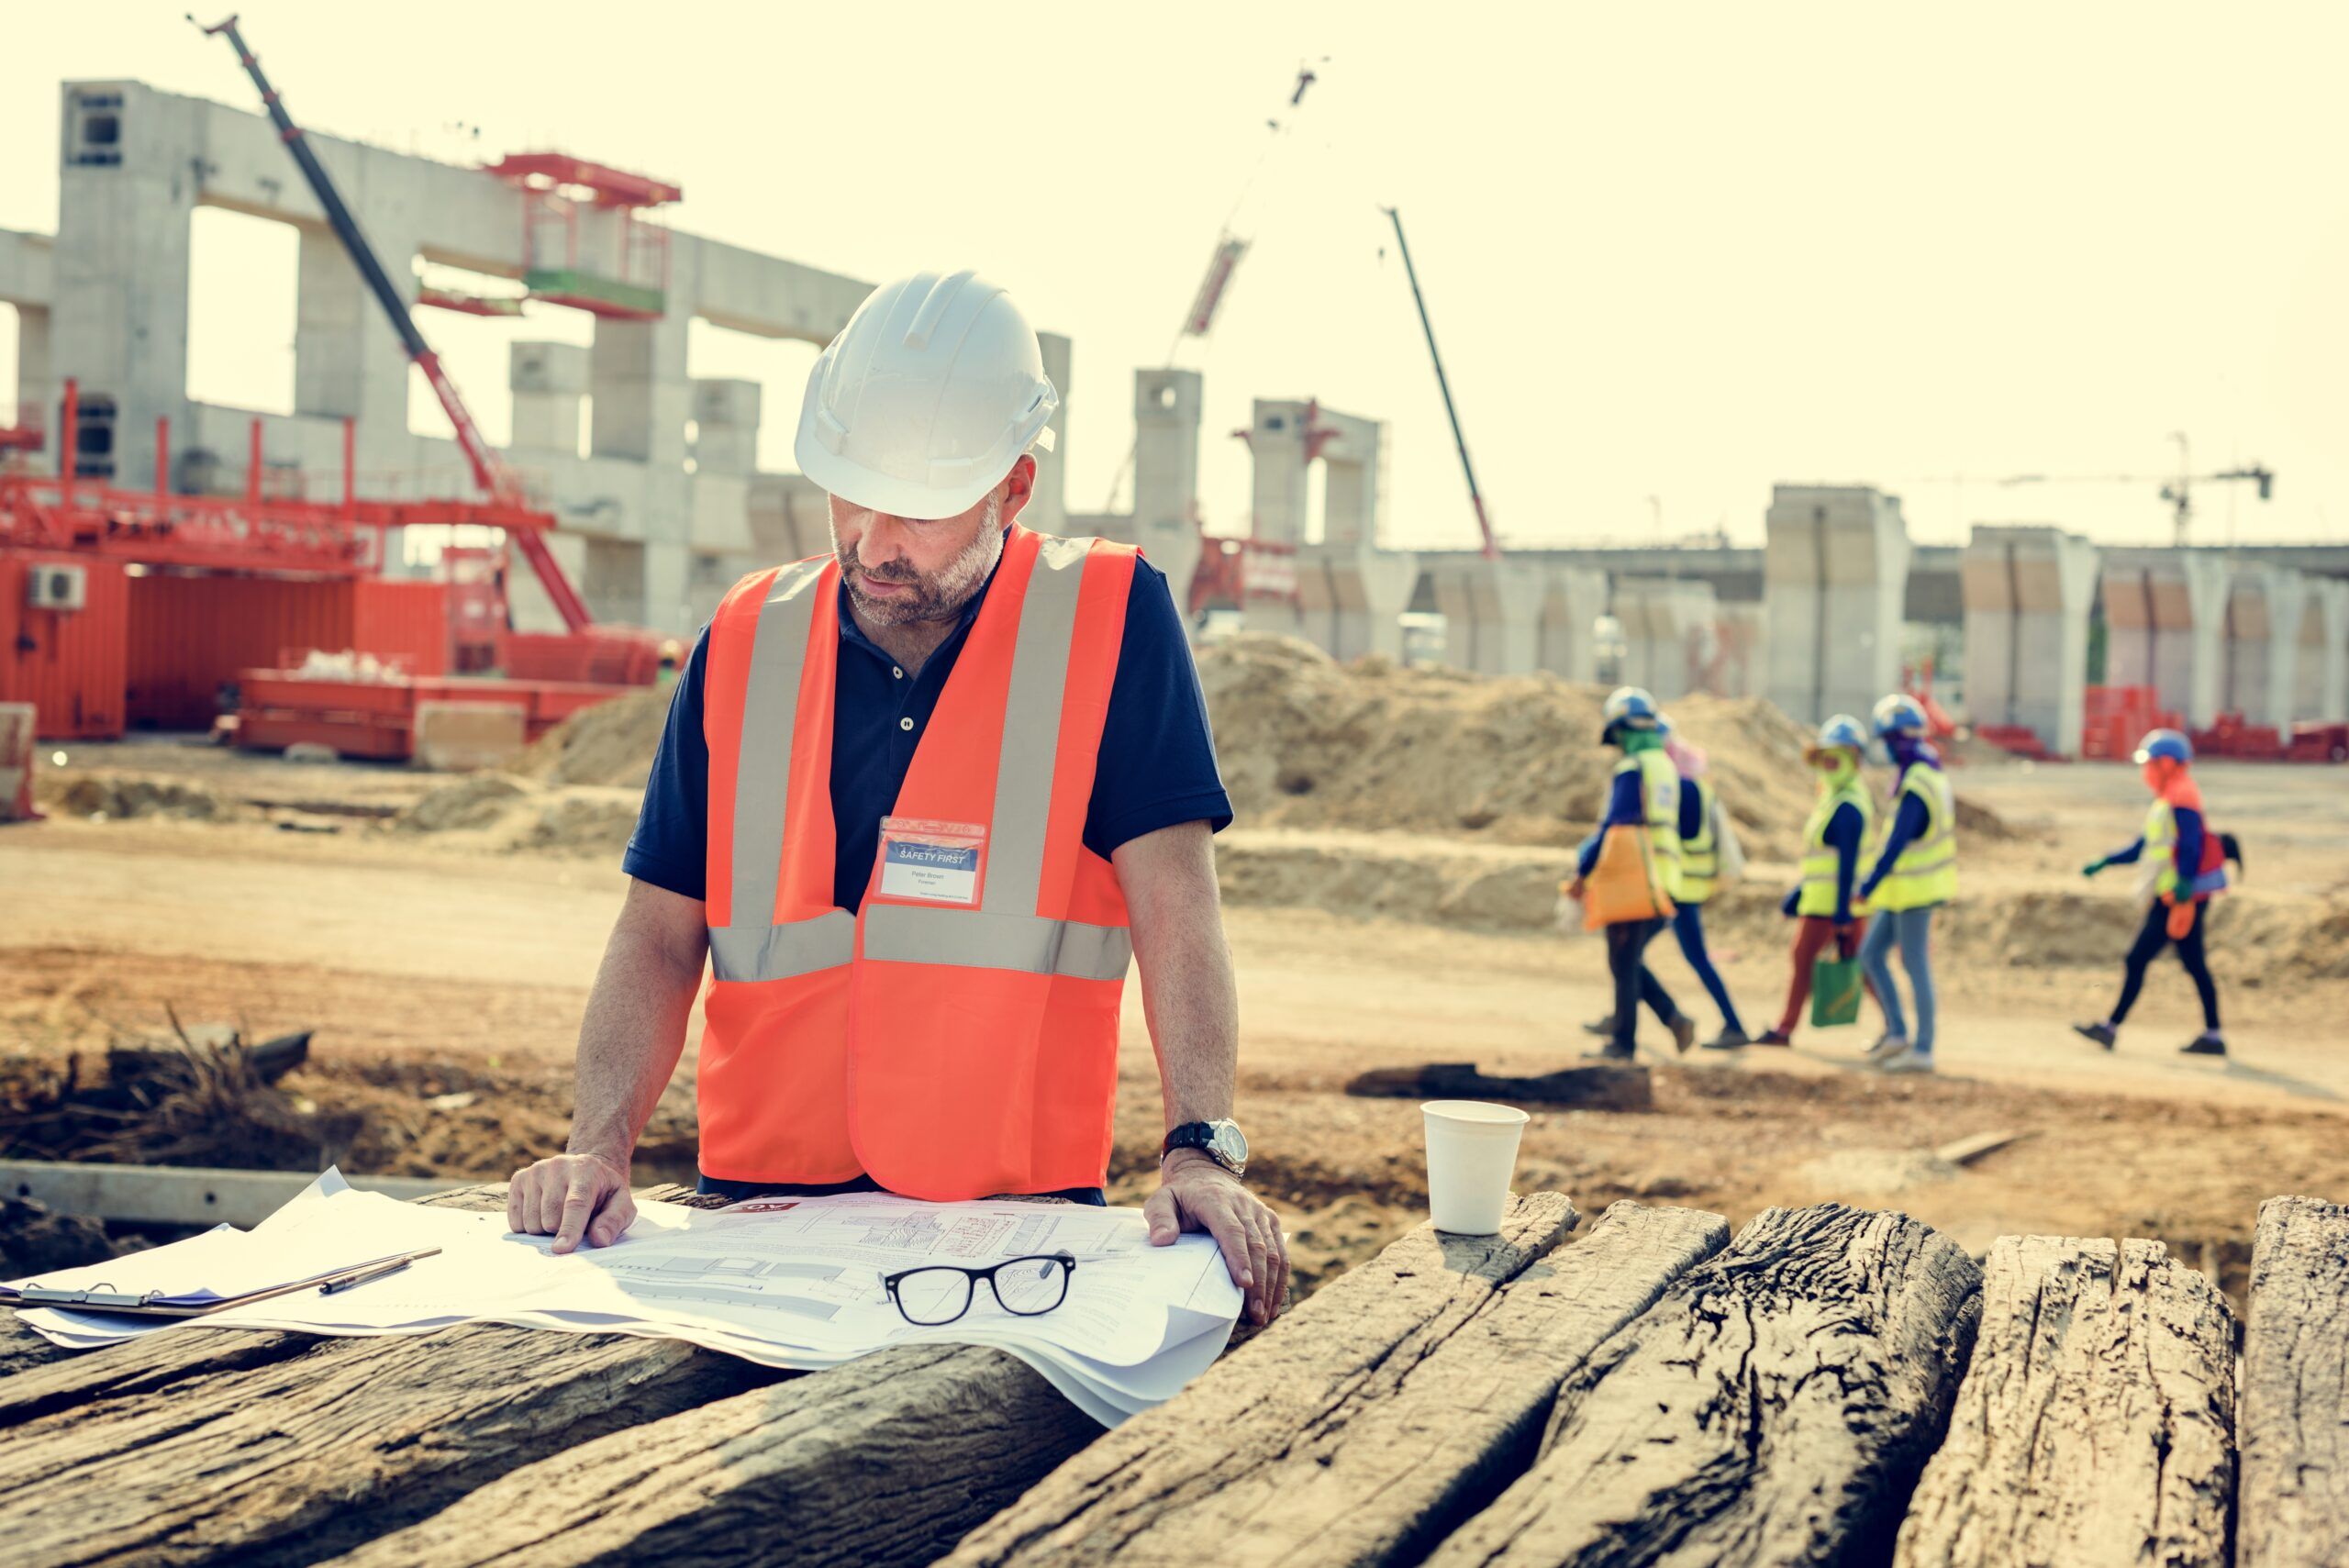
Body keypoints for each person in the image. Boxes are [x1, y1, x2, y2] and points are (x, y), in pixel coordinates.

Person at [506, 271, 1288, 1324]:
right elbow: (657, 930)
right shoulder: (744, 637)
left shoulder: (1109, 619)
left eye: (919, 510)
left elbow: (1178, 910)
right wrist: (595, 1145)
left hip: (1009, 1238)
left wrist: (1201, 1146)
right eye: (851, 493)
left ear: (1015, 487)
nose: (876, 542)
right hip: (760, 1223)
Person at [2074, 728, 2229, 1057]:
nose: (2146, 771)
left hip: (2177, 897)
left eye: (2151, 763)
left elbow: (2191, 844)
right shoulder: (2169, 796)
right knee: (2192, 964)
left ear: (2169, 763)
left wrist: (2184, 883)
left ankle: (2110, 1027)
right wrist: (2106, 861)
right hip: (2173, 894)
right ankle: (2213, 1035)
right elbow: (2144, 847)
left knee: (2138, 958)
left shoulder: (2181, 795)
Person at [1568, 686, 1698, 1062]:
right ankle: (1673, 1019)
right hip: (1667, 877)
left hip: (1635, 878)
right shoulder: (1666, 767)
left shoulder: (1631, 769)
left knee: (1623, 962)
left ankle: (1624, 1044)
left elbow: (1615, 827)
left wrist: (1583, 870)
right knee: (1627, 960)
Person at [1749, 714, 1873, 1048]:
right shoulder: (1831, 797)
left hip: (1835, 904)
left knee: (1852, 966)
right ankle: (1786, 1028)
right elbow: (1822, 859)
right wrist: (1801, 891)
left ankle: (1785, 1028)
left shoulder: (1848, 805)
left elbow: (1847, 863)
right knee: (1829, 962)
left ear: (1854, 759)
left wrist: (1843, 914)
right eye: (1827, 757)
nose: (1830, 763)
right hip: (1820, 899)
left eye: (1838, 757)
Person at [1855, 695, 1954, 1074]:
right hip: (1901, 892)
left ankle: (1923, 1048)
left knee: (1915, 966)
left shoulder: (1917, 783)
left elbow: (1897, 844)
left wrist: (1867, 885)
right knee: (1870, 955)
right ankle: (1897, 1032)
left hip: (1915, 891)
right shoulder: (1925, 774)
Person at [1658, 717, 1752, 1048]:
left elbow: (1675, 836)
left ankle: (1733, 1025)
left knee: (1633, 956)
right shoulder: (1698, 783)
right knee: (1630, 955)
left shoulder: (1679, 788)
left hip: (1679, 888)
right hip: (1689, 886)